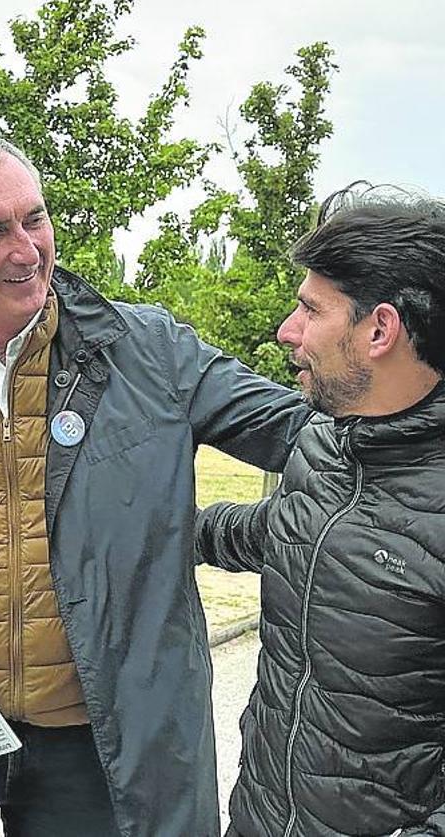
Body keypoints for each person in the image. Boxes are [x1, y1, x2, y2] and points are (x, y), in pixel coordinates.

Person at [0, 130, 312, 837]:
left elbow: (303, 434)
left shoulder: (149, 351)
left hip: (101, 746)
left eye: (34, 218)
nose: (27, 249)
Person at [196, 184, 445, 837]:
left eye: (310, 309)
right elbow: (281, 530)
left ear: (380, 329)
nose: (288, 330)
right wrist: (155, 527)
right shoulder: (324, 443)